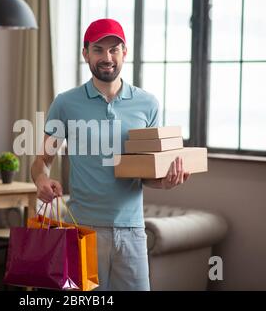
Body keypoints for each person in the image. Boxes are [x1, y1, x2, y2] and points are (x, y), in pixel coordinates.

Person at [30, 18, 190, 291]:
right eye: (98, 49)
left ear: (124, 53)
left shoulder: (147, 104)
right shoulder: (66, 103)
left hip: (132, 232)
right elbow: (41, 161)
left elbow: (145, 173)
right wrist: (42, 181)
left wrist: (165, 182)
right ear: (85, 53)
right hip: (82, 230)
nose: (107, 57)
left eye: (114, 49)